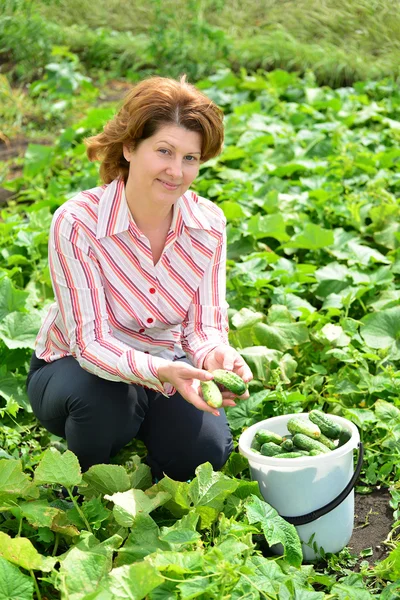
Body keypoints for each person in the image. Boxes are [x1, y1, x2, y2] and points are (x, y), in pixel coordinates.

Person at [26, 75, 253, 482]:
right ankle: (85, 471)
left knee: (204, 452)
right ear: (130, 147)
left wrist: (214, 355)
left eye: (190, 158)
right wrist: (160, 373)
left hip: (170, 364)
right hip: (76, 369)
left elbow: (203, 327)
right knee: (103, 403)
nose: (176, 171)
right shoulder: (78, 223)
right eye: (163, 151)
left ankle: (150, 429)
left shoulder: (209, 225)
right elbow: (90, 343)